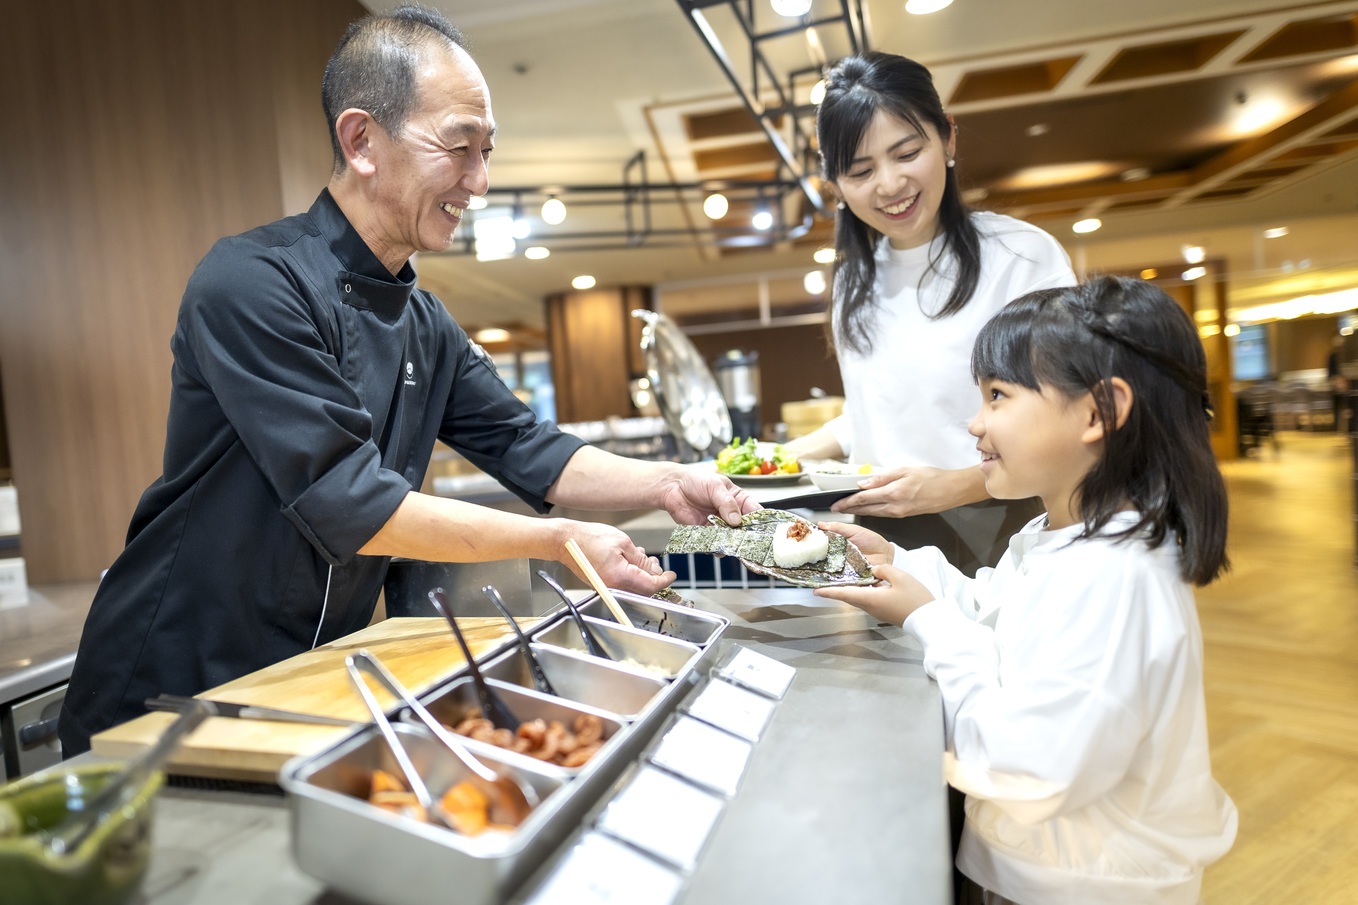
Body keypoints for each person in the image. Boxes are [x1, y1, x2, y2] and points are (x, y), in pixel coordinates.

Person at [58, 4, 754, 756]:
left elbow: (531, 448)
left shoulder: (425, 321)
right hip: (171, 678)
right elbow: (352, 501)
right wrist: (556, 540)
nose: (480, 181)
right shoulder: (251, 282)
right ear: (362, 140)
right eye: (459, 147)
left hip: (306, 673)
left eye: (487, 151)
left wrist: (665, 483)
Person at [817, 276, 1238, 904]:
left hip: (1080, 884)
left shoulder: (1115, 575)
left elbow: (1028, 771)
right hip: (1034, 865)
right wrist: (900, 565)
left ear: (1098, 412)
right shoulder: (1060, 534)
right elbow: (997, 619)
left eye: (997, 396)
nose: (974, 424)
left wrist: (928, 620)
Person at [784, 51, 1076, 575]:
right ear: (837, 186)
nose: (889, 184)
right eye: (861, 170)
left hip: (1001, 522)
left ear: (947, 139)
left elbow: (1064, 417)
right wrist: (776, 460)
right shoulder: (854, 279)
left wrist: (954, 486)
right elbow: (874, 413)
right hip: (880, 532)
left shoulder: (1021, 257)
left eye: (906, 152)